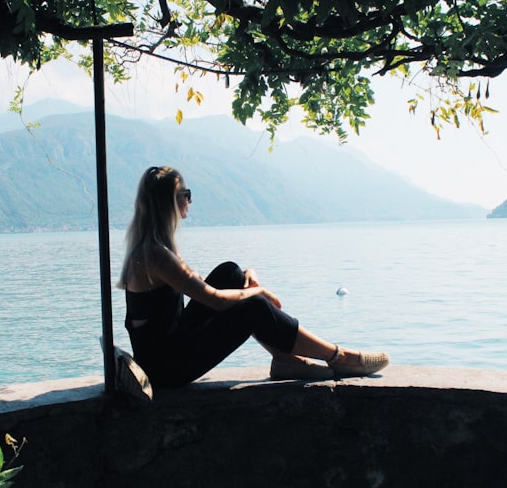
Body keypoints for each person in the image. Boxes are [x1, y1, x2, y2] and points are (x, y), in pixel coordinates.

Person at [117, 165, 390, 387]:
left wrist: (247, 276)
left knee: (231, 272)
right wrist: (257, 291)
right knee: (254, 308)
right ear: (169, 202)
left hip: (168, 352)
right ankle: (339, 356)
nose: (190, 200)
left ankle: (283, 359)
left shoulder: (154, 248)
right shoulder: (155, 254)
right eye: (186, 193)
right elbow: (214, 301)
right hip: (167, 370)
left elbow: (202, 284)